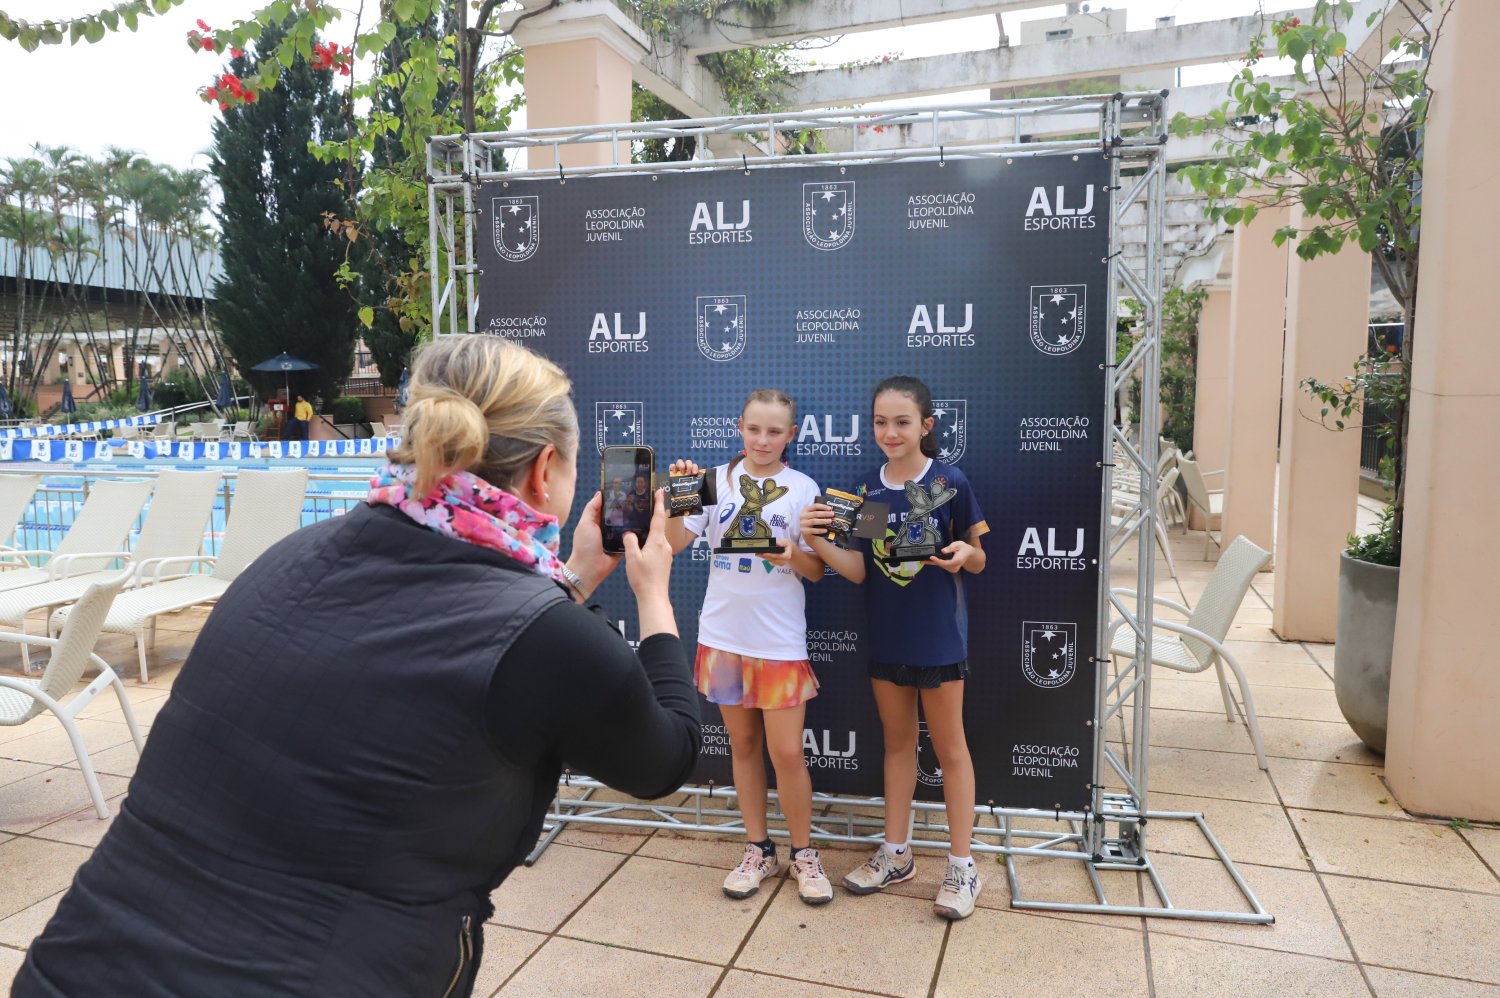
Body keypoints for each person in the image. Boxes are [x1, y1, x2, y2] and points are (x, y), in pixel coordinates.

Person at [14, 336, 700, 997]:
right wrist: (653, 595)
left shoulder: (290, 557)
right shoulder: (551, 637)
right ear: (545, 470)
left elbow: (474, 640)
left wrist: (573, 577)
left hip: (80, 963)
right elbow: (664, 759)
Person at [799, 375, 989, 920]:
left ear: (926, 425)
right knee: (898, 745)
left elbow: (979, 558)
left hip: (939, 638)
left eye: (902, 422)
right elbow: (862, 570)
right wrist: (815, 542)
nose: (890, 432)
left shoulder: (949, 480)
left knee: (950, 750)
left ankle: (962, 866)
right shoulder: (868, 489)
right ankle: (897, 853)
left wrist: (963, 555)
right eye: (881, 422)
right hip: (886, 637)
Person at [665, 388, 832, 905]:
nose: (763, 440)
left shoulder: (803, 488)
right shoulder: (711, 480)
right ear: (739, 427)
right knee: (742, 746)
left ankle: (804, 853)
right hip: (723, 637)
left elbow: (817, 570)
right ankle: (759, 850)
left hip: (779, 641)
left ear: (791, 435)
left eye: (774, 431)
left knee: (787, 753)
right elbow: (672, 543)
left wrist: (790, 556)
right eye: (754, 429)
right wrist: (679, 495)